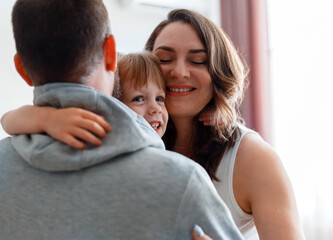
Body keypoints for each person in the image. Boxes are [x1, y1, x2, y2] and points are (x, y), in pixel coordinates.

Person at [0, 1, 245, 239]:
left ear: (21, 69)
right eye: (139, 98)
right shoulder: (182, 182)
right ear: (110, 53)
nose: (179, 73)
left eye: (160, 98)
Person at [145, 9, 305, 239]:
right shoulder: (132, 144)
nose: (179, 72)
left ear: (219, 73)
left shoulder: (253, 158)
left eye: (197, 61)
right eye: (165, 60)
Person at [1, 52, 168, 147]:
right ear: (113, 104)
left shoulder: (158, 146)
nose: (156, 108)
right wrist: (47, 118)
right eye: (139, 99)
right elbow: (7, 119)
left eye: (160, 98)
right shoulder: (94, 128)